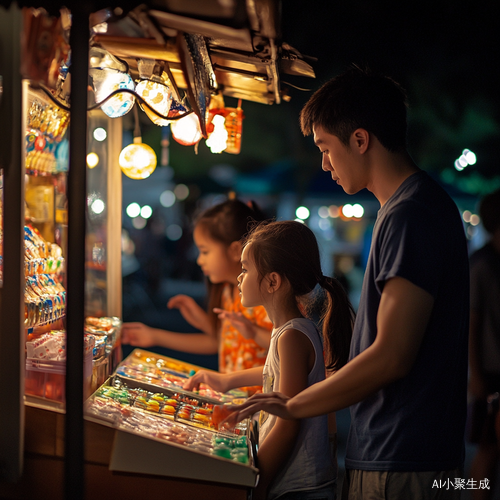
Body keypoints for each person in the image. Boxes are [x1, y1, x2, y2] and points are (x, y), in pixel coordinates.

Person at [225, 66, 470, 500]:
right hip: (401, 454)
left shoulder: (411, 215)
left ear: (360, 140)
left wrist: (293, 405)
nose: (324, 163)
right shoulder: (405, 210)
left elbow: (391, 356)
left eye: (325, 147)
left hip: (404, 459)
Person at [184, 220, 355, 500]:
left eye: (246, 269)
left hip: (299, 487)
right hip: (295, 482)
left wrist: (258, 480)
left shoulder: (292, 336)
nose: (240, 277)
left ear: (273, 281)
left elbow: (287, 423)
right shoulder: (287, 330)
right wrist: (226, 381)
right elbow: (272, 373)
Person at [121, 198, 273, 391]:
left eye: (205, 251)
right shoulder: (229, 290)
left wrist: (253, 331)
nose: (200, 260)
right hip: (236, 401)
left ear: (235, 250)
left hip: (259, 405)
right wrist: (158, 335)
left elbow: (289, 350)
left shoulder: (263, 296)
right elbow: (224, 341)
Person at [468, 188, 500, 500]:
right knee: (489, 448)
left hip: (490, 368)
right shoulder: (483, 265)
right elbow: (472, 322)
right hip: (491, 370)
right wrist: (475, 374)